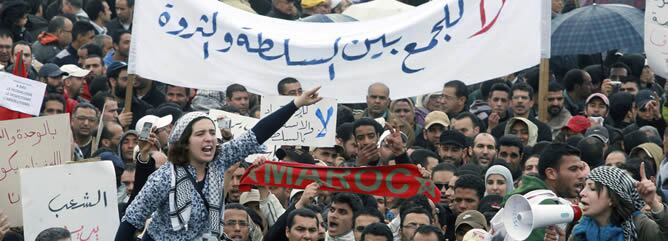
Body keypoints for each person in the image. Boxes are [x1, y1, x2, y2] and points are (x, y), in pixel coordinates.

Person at [115, 87, 323, 241]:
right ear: (184, 143)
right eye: (200, 134)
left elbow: (258, 133)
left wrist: (296, 104)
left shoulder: (220, 160)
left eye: (212, 133)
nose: (209, 139)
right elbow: (131, 221)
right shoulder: (163, 178)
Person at [546, 165, 668, 241]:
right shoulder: (580, 231)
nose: (582, 193)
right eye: (584, 187)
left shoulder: (638, 226)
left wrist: (653, 203)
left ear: (612, 198)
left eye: (592, 188)